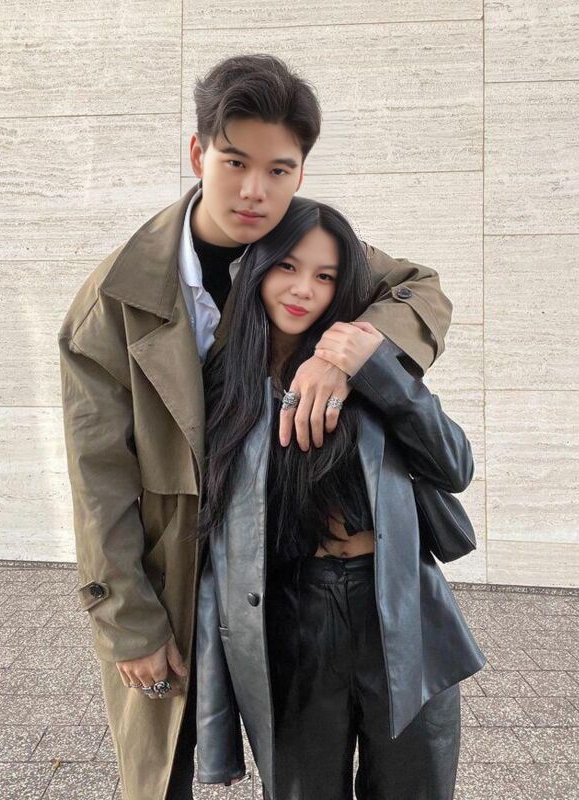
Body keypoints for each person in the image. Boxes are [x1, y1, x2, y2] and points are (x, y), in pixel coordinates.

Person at [58, 53, 455, 800]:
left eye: (279, 170)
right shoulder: (113, 301)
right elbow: (98, 476)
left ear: (301, 172)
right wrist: (130, 621)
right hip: (180, 570)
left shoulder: (304, 244)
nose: (255, 191)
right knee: (165, 766)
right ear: (198, 152)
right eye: (235, 162)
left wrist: (345, 352)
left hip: (294, 580)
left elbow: (418, 288)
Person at [195, 196, 486, 799]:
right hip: (292, 620)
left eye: (325, 276)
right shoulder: (225, 387)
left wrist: (371, 367)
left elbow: (454, 466)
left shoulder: (365, 366)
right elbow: (213, 551)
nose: (304, 289)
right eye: (287, 266)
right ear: (257, 269)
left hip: (400, 610)